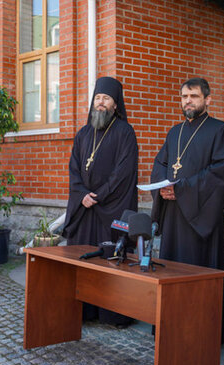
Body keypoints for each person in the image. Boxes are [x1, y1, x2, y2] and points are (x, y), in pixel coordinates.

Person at [150, 78, 224, 344]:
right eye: (184, 96)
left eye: (194, 96)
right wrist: (162, 189)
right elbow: (161, 164)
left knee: (198, 273)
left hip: (202, 219)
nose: (188, 101)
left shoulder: (220, 131)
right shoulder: (174, 132)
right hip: (175, 215)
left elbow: (222, 173)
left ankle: (202, 334)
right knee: (171, 270)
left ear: (207, 99)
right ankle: (171, 326)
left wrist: (183, 189)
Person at [63, 76, 138, 326]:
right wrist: (81, 193)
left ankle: (111, 314)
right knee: (82, 257)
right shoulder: (83, 133)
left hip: (109, 208)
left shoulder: (125, 132)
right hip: (84, 208)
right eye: (98, 98)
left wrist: (99, 195)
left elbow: (124, 172)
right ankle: (83, 311)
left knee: (109, 260)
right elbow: (74, 168)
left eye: (106, 98)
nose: (101, 103)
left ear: (116, 104)